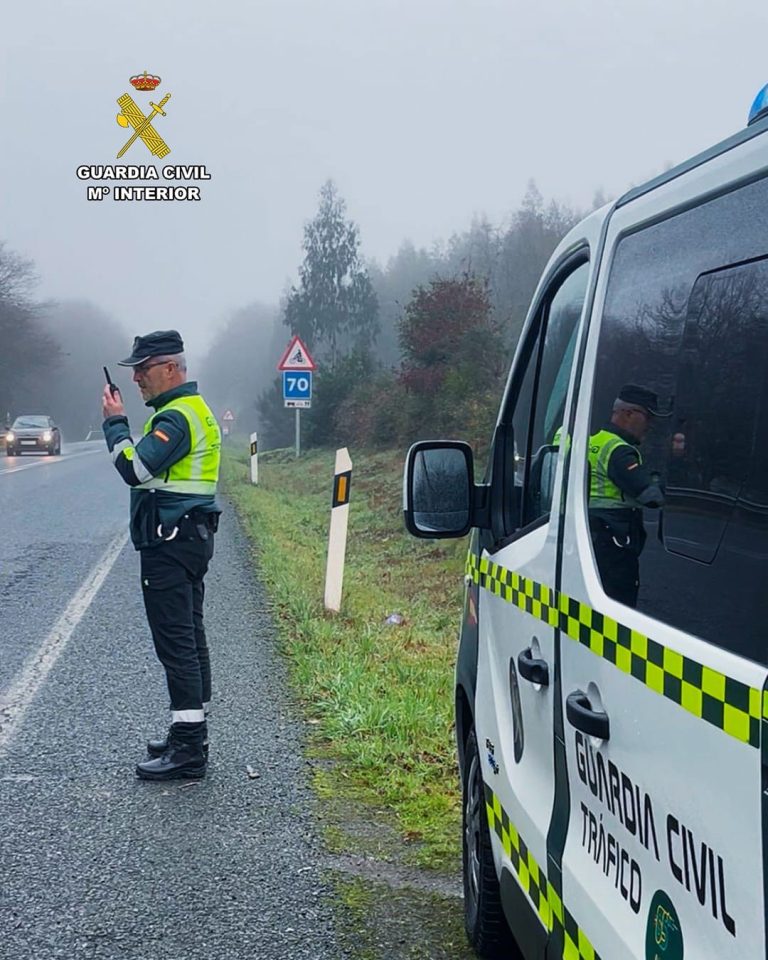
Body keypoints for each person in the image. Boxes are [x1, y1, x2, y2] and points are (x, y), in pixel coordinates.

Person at [101, 330, 221, 780]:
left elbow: (134, 469)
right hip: (188, 537)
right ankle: (190, 729)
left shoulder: (176, 418)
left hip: (170, 542)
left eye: (143, 370)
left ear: (170, 368)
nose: (136, 380)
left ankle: (189, 751)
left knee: (176, 645)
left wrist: (114, 423)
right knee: (189, 635)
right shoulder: (193, 410)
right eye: (133, 371)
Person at [588, 384, 667, 608]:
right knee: (618, 609)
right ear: (628, 413)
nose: (649, 426)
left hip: (591, 538)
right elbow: (652, 497)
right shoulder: (619, 450)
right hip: (613, 545)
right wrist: (657, 477)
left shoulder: (595, 441)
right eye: (648, 417)